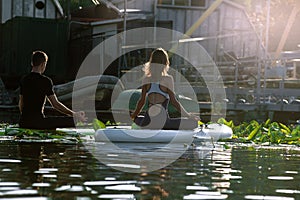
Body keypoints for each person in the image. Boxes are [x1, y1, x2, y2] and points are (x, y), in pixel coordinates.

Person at [130, 48, 199, 130]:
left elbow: (141, 101)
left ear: (151, 62)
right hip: (162, 121)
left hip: (148, 120)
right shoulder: (168, 79)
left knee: (138, 118)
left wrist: (134, 115)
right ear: (165, 63)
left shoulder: (146, 80)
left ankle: (144, 122)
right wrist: (188, 115)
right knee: (193, 123)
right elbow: (174, 102)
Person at [18, 50, 87, 129]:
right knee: (74, 121)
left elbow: (21, 103)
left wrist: (25, 118)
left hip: (23, 122)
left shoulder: (24, 79)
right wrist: (74, 114)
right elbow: (55, 104)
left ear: (32, 63)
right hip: (38, 123)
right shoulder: (46, 81)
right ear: (43, 64)